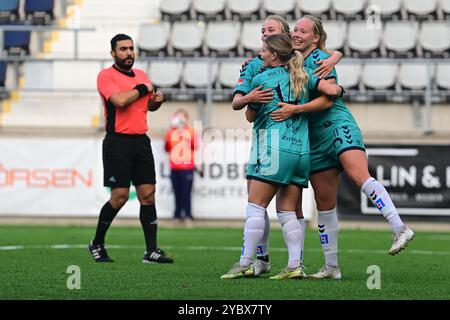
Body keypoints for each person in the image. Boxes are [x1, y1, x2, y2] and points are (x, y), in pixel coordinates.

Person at [271, 16, 415, 279]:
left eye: (304, 31)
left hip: (336, 124)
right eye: (295, 30)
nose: (296, 34)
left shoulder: (320, 60)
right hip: (313, 136)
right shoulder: (293, 60)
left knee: (359, 175)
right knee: (324, 202)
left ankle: (399, 227)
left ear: (316, 38)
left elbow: (330, 98)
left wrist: (297, 109)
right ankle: (332, 267)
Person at [221, 34, 343, 280]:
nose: (262, 54)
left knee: (256, 206)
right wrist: (339, 80)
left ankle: (245, 262)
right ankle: (294, 265)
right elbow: (333, 92)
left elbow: (250, 117)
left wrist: (251, 100)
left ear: (274, 55)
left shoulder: (261, 78)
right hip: (301, 150)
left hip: (274, 147)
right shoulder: (302, 75)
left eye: (265, 51)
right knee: (287, 210)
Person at [88, 34, 173, 264]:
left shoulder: (142, 76)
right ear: (113, 53)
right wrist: (142, 88)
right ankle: (96, 242)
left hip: (140, 141)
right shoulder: (106, 76)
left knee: (148, 195)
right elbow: (120, 101)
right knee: (120, 197)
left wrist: (158, 100)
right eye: (123, 49)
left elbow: (148, 105)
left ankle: (151, 251)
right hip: (118, 142)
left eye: (131, 48)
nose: (128, 53)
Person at [164, 109, 198, 225]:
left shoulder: (191, 131)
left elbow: (195, 145)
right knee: (177, 192)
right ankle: (177, 215)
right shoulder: (171, 132)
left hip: (187, 167)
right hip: (174, 167)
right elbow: (167, 147)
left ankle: (188, 215)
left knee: (186, 192)